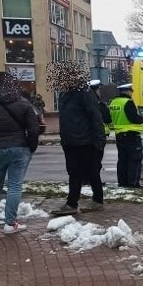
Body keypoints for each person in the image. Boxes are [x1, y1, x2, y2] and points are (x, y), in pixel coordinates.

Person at [48, 61, 106, 215]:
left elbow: (95, 117)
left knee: (92, 171)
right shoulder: (64, 94)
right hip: (69, 142)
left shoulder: (85, 92)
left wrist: (99, 141)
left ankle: (98, 200)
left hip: (86, 141)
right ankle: (72, 203)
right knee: (73, 172)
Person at [0, 72, 39, 233]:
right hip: (19, 149)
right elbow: (33, 129)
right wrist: (31, 147)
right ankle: (10, 223)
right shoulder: (24, 104)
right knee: (14, 186)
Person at [109, 84, 143, 188]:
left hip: (119, 135)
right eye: (131, 91)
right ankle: (132, 183)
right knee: (134, 159)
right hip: (131, 134)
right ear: (127, 91)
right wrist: (141, 119)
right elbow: (133, 118)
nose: (131, 93)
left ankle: (122, 183)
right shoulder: (128, 102)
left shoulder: (114, 103)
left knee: (122, 160)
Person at [89, 79, 113, 183]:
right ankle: (95, 182)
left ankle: (88, 180)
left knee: (89, 160)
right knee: (96, 161)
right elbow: (108, 119)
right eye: (99, 89)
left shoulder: (84, 104)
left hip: (87, 136)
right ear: (96, 90)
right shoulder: (100, 105)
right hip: (99, 136)